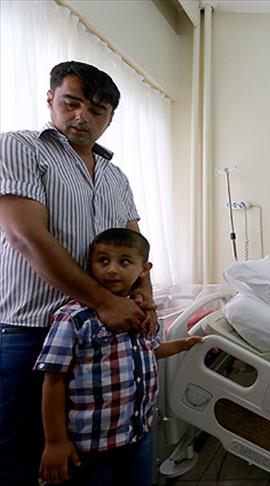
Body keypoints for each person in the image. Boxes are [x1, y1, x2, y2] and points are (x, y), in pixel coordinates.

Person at [0, 61, 153, 484]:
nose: (82, 116)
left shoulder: (116, 177)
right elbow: (26, 237)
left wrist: (146, 298)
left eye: (97, 110)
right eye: (72, 103)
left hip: (104, 337)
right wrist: (106, 302)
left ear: (110, 118)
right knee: (25, 460)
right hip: (32, 332)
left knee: (96, 461)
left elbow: (135, 246)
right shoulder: (21, 147)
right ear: (51, 99)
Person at [34, 228, 202, 485]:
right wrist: (55, 441)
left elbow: (151, 350)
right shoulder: (74, 317)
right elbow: (53, 379)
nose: (112, 269)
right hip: (93, 444)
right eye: (103, 261)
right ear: (90, 264)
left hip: (139, 433)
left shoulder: (141, 312)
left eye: (124, 262)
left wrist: (184, 345)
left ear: (144, 269)